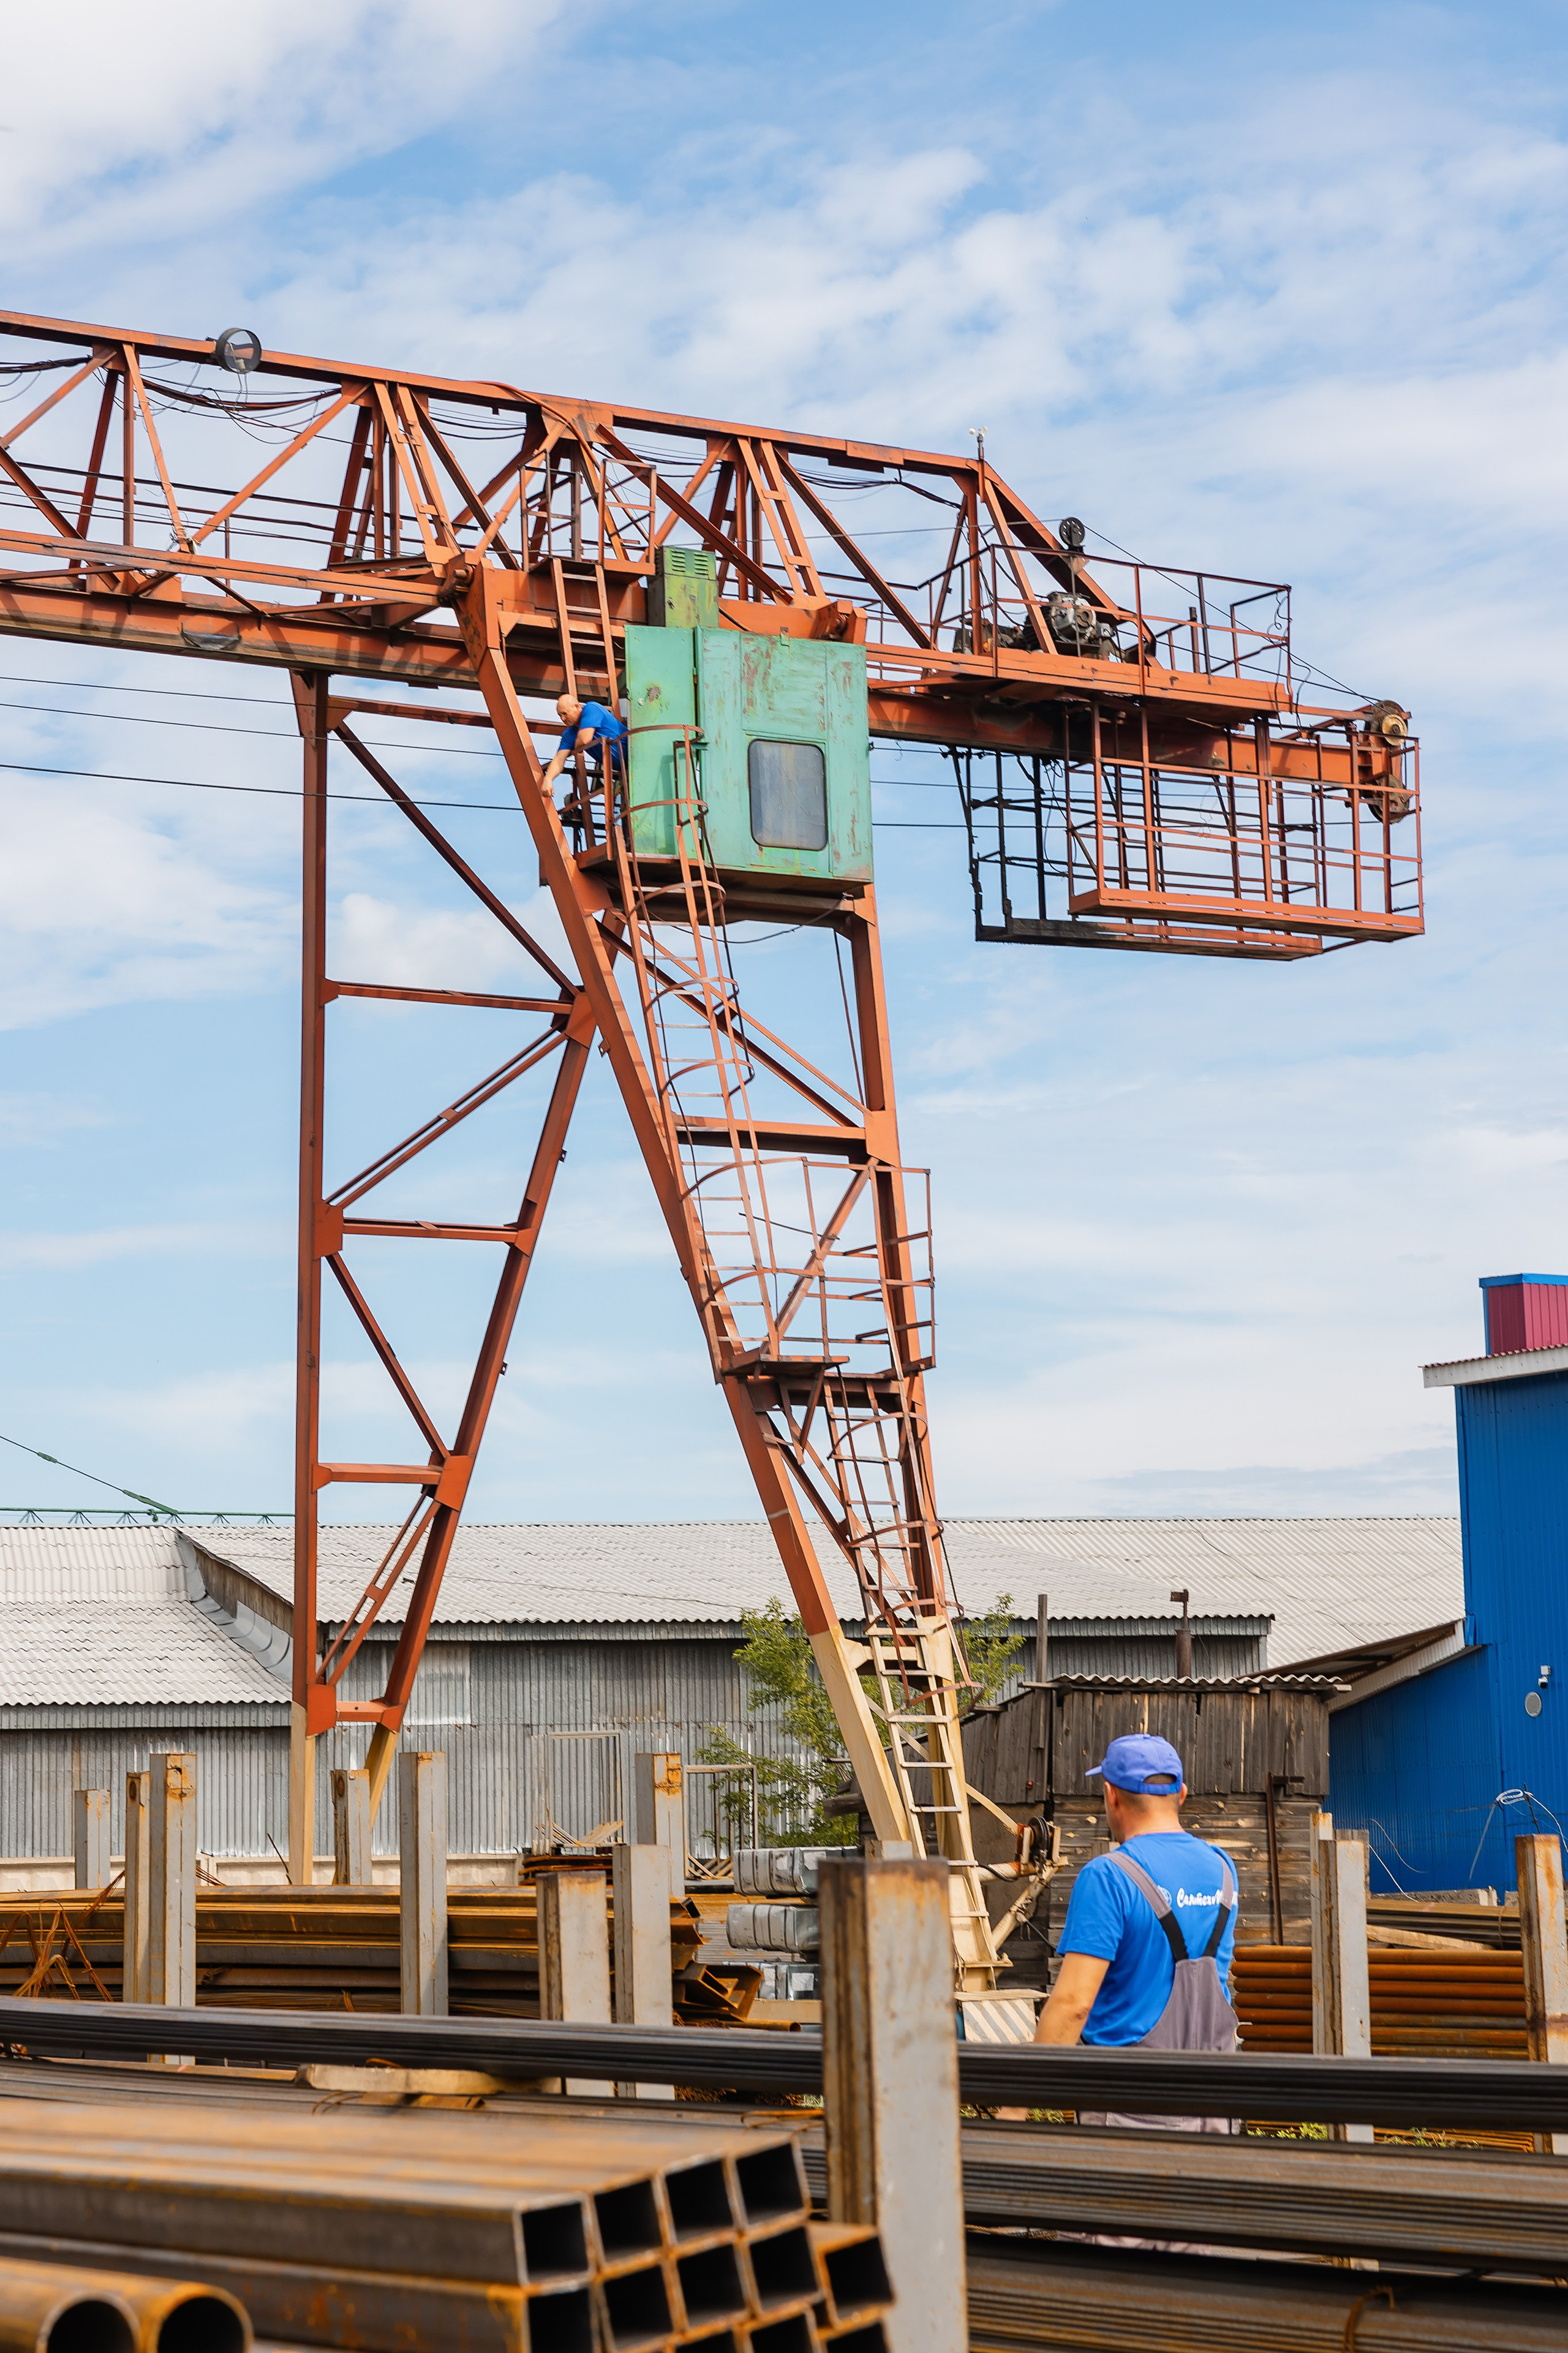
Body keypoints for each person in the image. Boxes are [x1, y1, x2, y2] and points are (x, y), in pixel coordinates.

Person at [1033, 1731, 1240, 2136]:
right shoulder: (1222, 1867)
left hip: (1128, 2112)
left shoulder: (1107, 1876)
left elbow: (1074, 2003)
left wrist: (1015, 2104)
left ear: (1111, 1796)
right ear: (1181, 1794)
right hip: (1216, 2107)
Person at [543, 691, 627, 801]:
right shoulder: (569, 734)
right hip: (624, 770)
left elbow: (584, 739)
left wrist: (574, 747)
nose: (563, 719)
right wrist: (548, 779)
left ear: (577, 707)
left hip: (636, 755)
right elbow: (559, 759)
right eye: (560, 716)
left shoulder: (591, 708)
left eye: (565, 713)